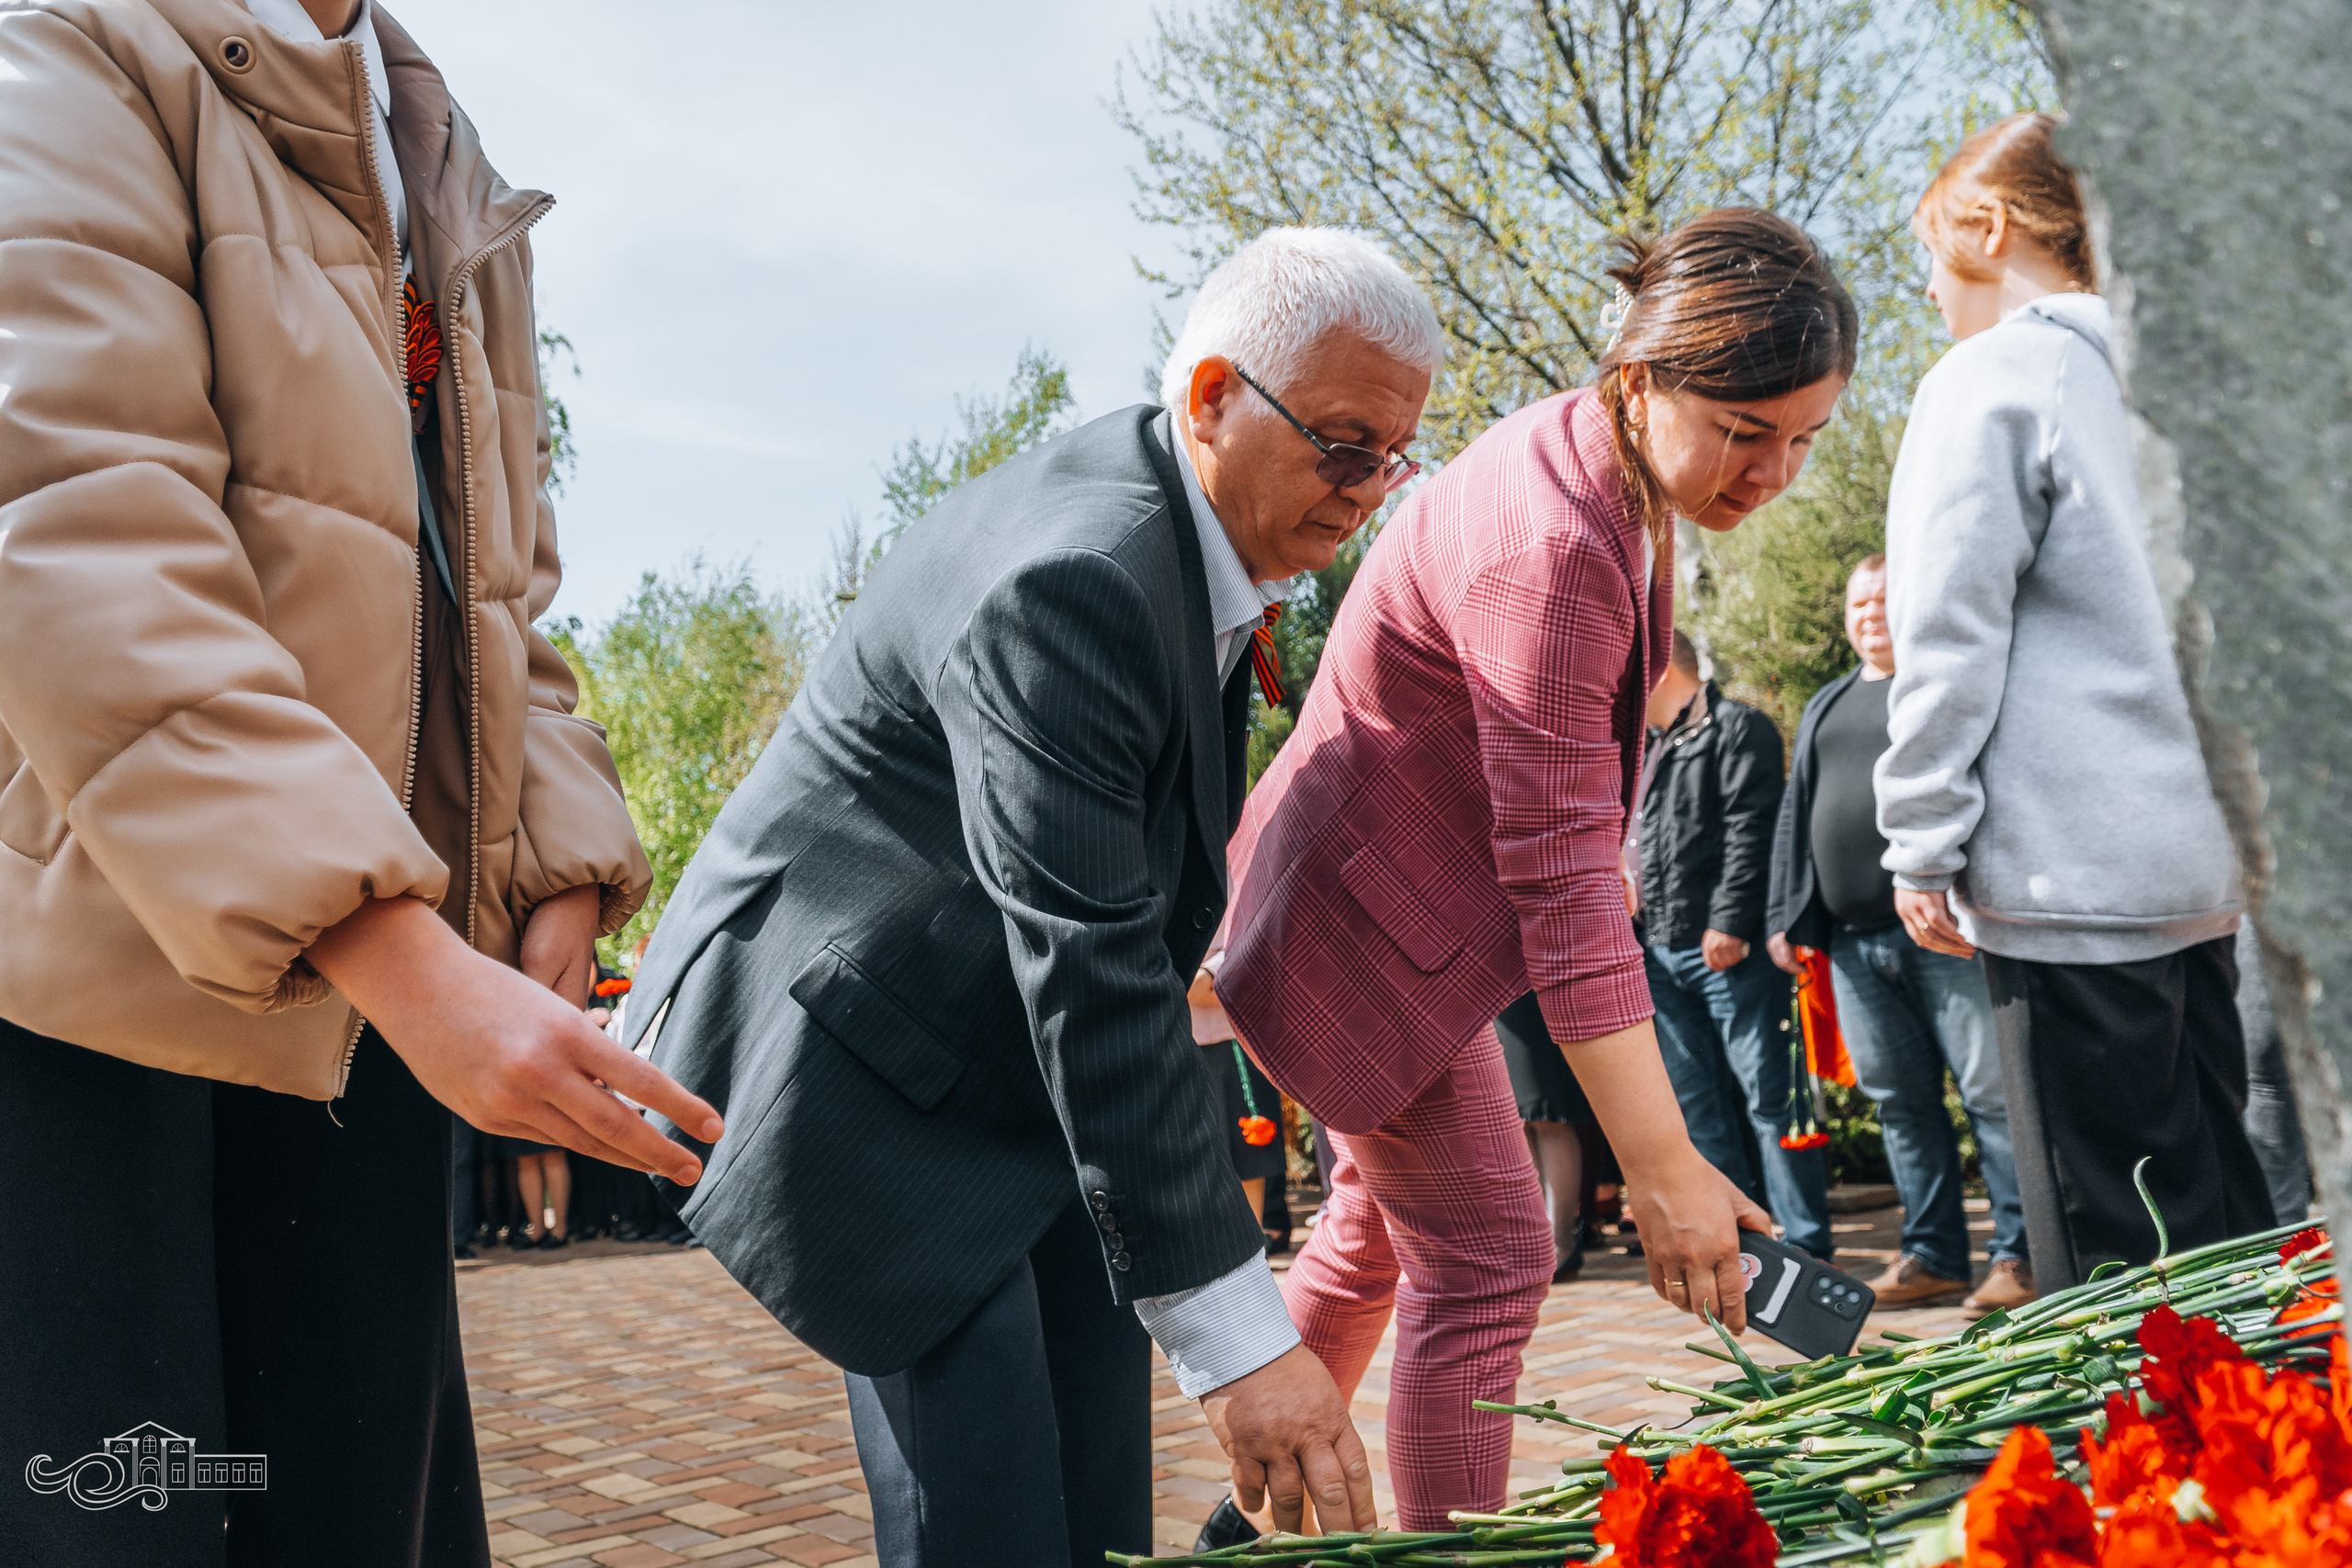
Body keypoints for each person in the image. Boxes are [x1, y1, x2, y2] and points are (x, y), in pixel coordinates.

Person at [0, 4, 723, 1565]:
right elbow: (70, 521)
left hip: (365, 1012)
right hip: (84, 1014)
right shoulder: (60, 50)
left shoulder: (441, 150)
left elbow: (497, 588)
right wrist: (388, 938)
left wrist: (553, 864)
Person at [618, 229, 1442, 1562]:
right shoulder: (1083, 573)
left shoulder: (1188, 539)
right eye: (1346, 446)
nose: (1369, 492)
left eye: (1395, 459)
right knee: (990, 1513)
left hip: (1002, 1065)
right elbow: (1096, 963)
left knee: (1096, 1499)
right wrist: (1245, 1345)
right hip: (862, 1065)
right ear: (1216, 394)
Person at [1216, 208, 1855, 1529]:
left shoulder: (1604, 460)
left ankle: (1247, 1522)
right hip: (1365, 933)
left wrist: (1668, 1150)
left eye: (1807, 437)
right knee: (1493, 1258)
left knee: (1373, 1230)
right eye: (1746, 432)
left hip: (1380, 908)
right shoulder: (1560, 542)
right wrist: (1665, 1167)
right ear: (1640, 379)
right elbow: (1564, 886)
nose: (1776, 472)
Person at [1879, 111, 2267, 1294]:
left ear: (1988, 228)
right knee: (2220, 1228)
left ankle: (2163, 1473)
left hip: (2065, 884)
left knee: (2110, 1262)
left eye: (1935, 268)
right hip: (2197, 879)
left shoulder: (1996, 375)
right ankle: (2284, 1457)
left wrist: (1920, 837)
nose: (1937, 301)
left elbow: (1946, 627)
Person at [1767, 556, 2031, 1316]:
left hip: (1943, 932)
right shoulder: (1826, 702)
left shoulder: (1936, 690)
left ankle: (2019, 1256)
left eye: (1884, 598)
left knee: (1989, 1095)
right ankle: (1933, 1255)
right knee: (1899, 1103)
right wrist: (1787, 916)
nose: (1870, 612)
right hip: (1851, 946)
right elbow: (1798, 811)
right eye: (1858, 601)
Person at [1634, 631, 1831, 1261]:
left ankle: (1804, 1241)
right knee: (1696, 1108)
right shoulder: (1650, 749)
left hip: (1726, 951)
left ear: (1660, 666)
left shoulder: (1738, 727)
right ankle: (1742, 1246)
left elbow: (1755, 828)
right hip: (1661, 952)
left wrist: (1729, 920)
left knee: (1770, 1099)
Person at [1192, 952, 1295, 1257]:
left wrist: (1210, 973)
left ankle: (1252, 1247)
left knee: (1252, 1151)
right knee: (1202, 1151)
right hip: (1185, 1033)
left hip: (1236, 1029)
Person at [1494, 993, 1599, 1281]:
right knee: (1522, 1117)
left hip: (1531, 988)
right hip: (1494, 996)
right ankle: (1542, 1243)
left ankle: (1560, 1243)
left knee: (1546, 1113)